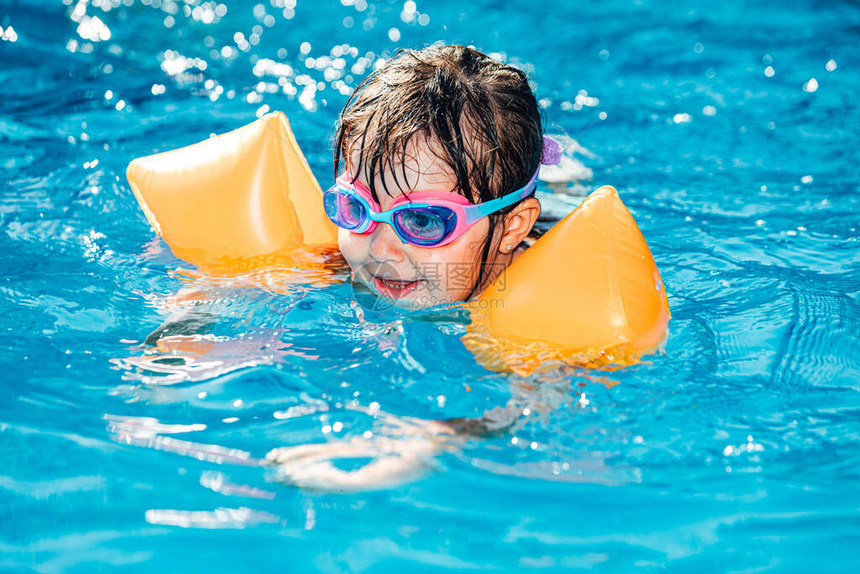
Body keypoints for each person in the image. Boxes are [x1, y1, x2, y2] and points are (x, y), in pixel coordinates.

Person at [324, 44, 561, 309]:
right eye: (357, 207)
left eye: (423, 221)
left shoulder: (546, 306)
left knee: (565, 191)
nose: (379, 250)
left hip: (552, 223)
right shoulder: (353, 263)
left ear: (512, 227)